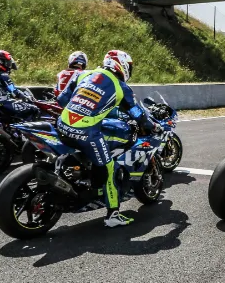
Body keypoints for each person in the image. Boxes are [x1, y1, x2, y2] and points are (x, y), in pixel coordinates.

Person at [56, 49, 156, 227]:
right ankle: (113, 216)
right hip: (86, 132)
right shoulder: (120, 87)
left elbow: (63, 99)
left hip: (62, 124)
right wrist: (153, 126)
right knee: (108, 168)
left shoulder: (84, 74)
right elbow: (137, 115)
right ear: (122, 65)